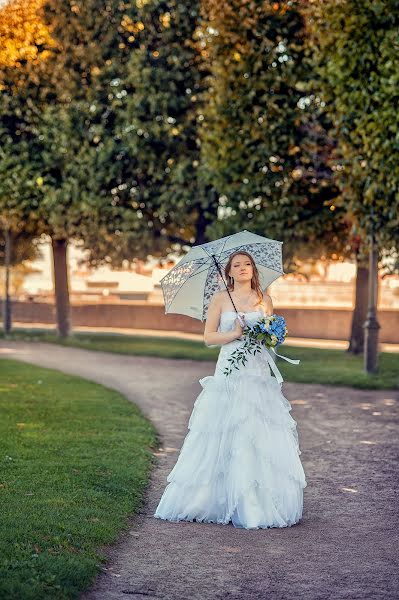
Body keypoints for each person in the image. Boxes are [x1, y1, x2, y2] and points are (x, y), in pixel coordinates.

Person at [154, 250, 307, 529]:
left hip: (258, 372)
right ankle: (213, 499)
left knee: (257, 429)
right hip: (229, 370)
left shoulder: (265, 300)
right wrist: (235, 334)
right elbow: (209, 338)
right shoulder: (220, 299)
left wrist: (268, 338)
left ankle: (258, 501)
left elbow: (272, 339)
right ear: (229, 272)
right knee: (225, 427)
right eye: (237, 265)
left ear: (253, 269)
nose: (243, 268)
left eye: (247, 264)